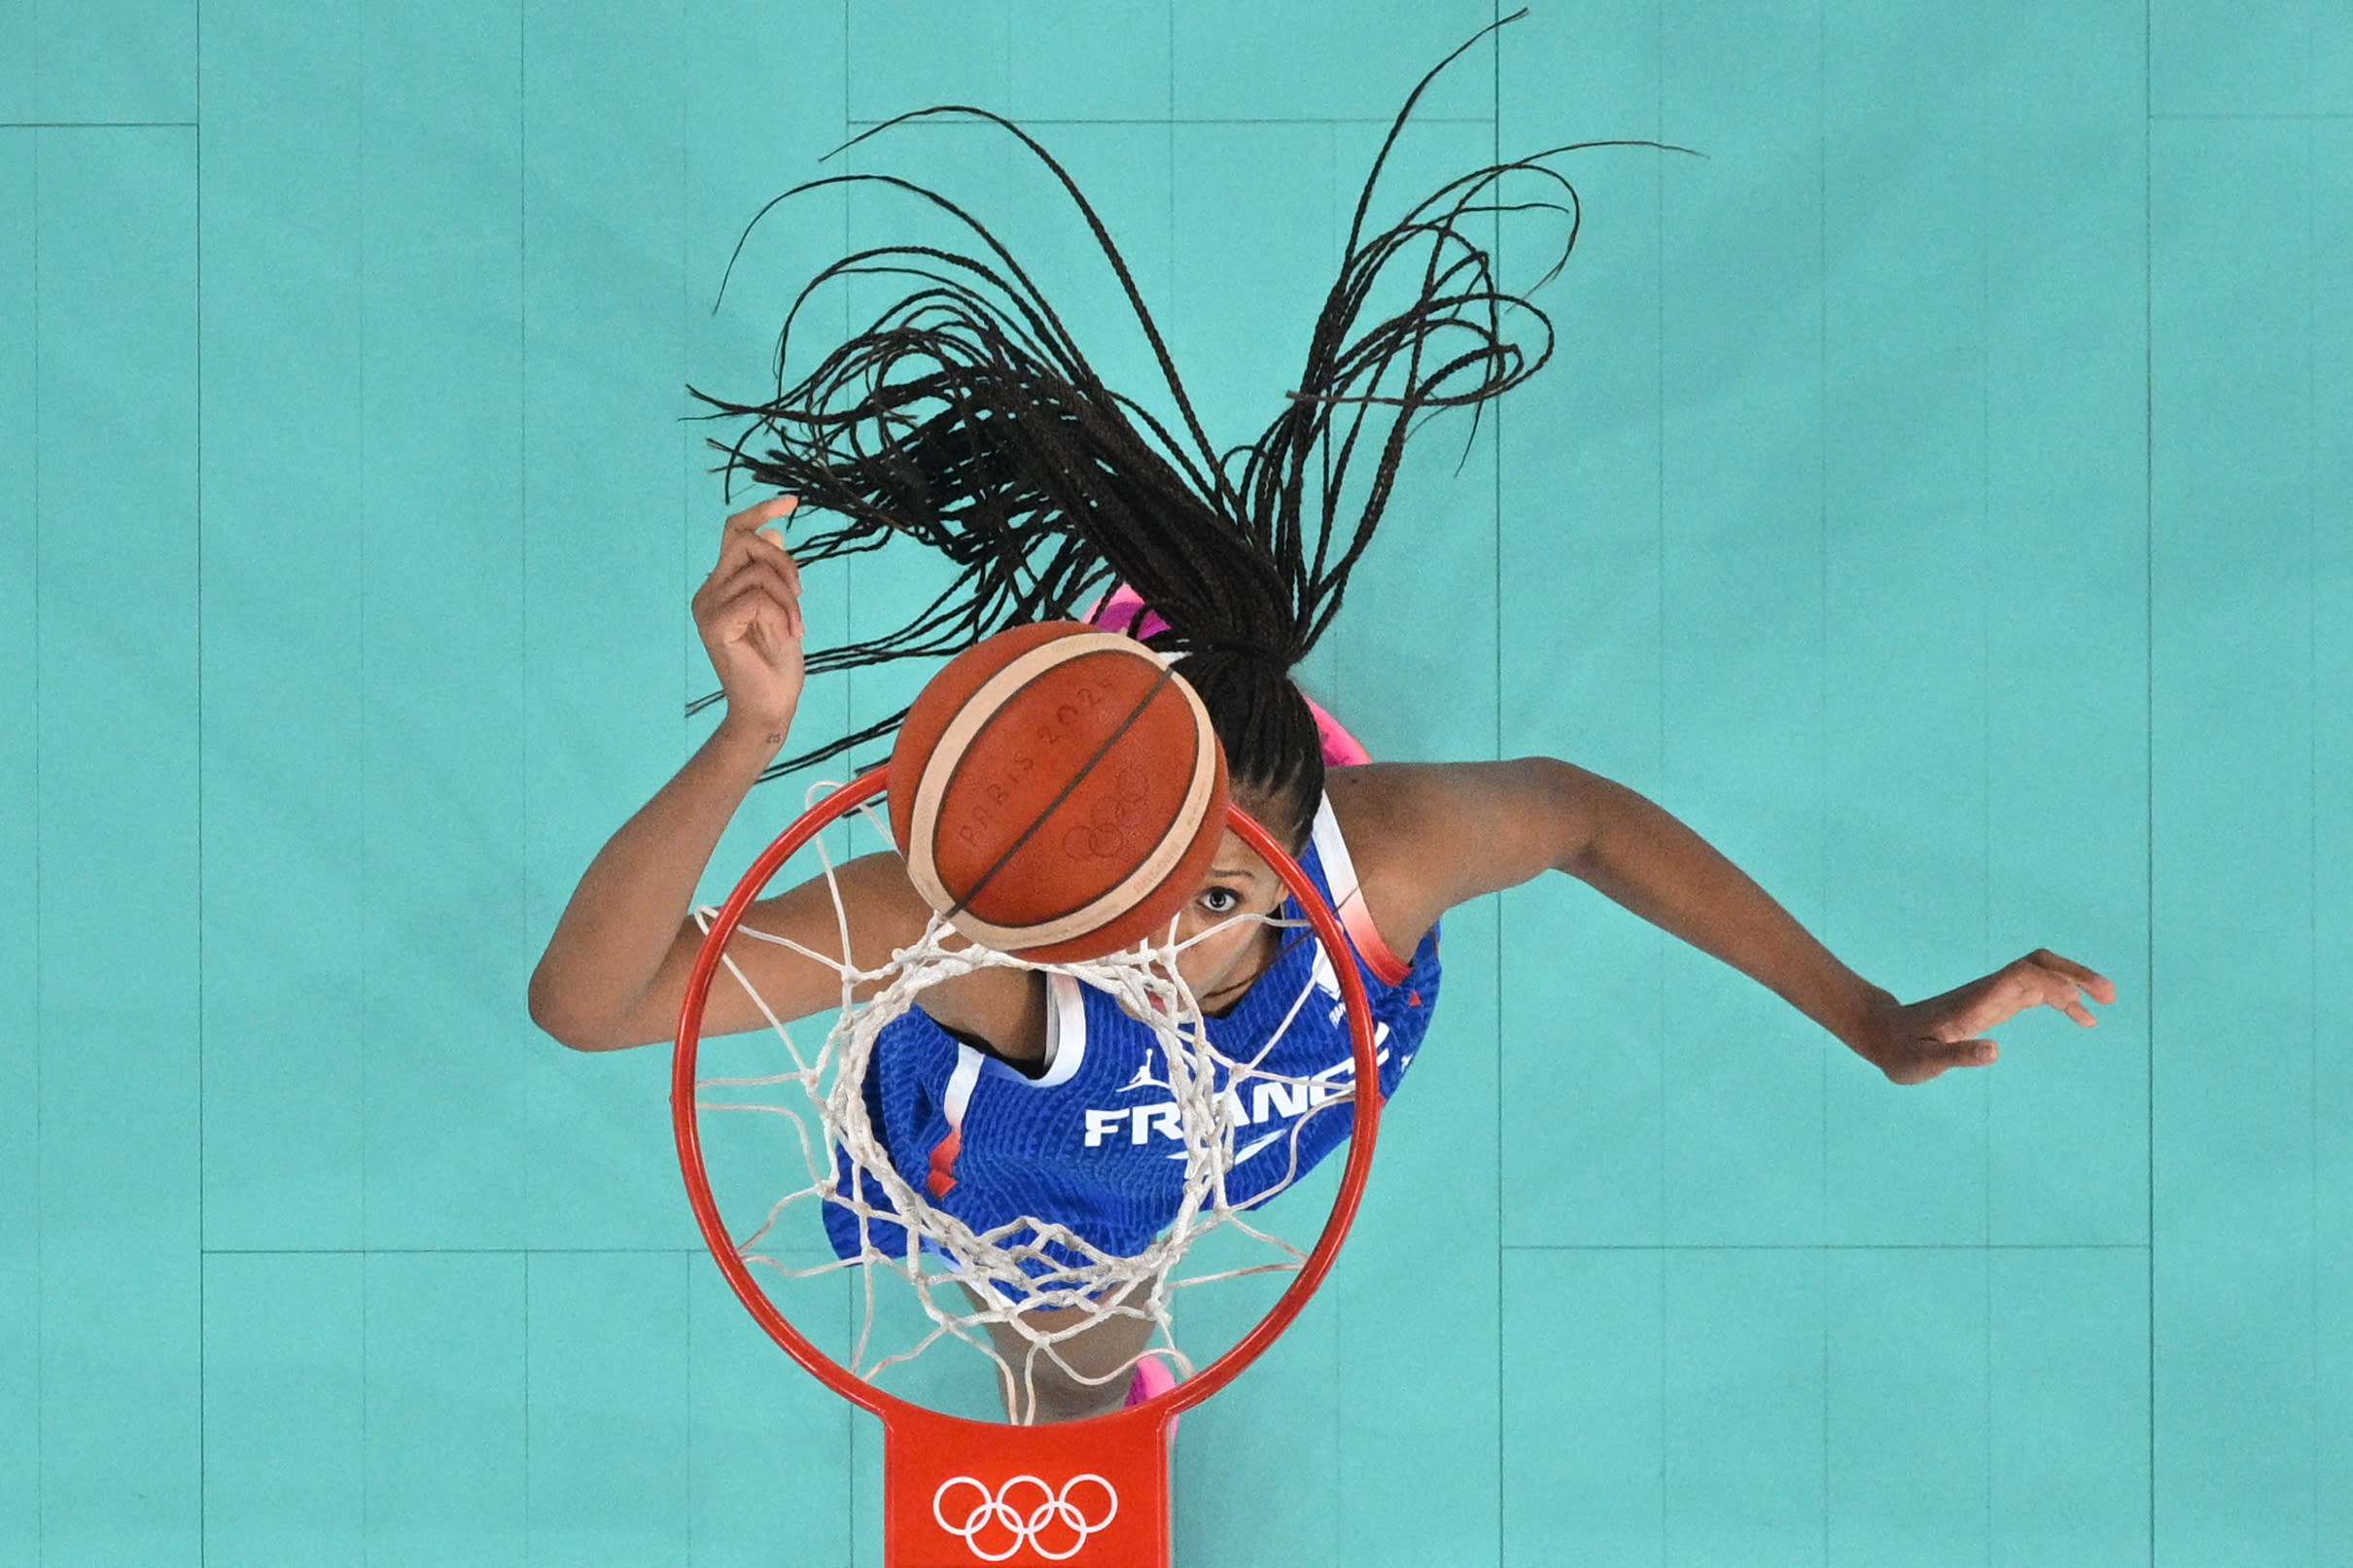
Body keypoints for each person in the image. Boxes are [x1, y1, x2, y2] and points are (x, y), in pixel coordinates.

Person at [526, 20, 2116, 1423]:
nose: (1143, 934)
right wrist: (741, 742)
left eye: (1208, 891)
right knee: (1077, 1354)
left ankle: (1157, 677)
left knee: (1257, 804)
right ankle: (1126, 712)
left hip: (1280, 1076)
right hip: (1054, 1167)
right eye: (1125, 884)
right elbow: (597, 1005)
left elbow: (1580, 814)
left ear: (1293, 849)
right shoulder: (996, 937)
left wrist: (1864, 1011)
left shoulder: (1376, 858)